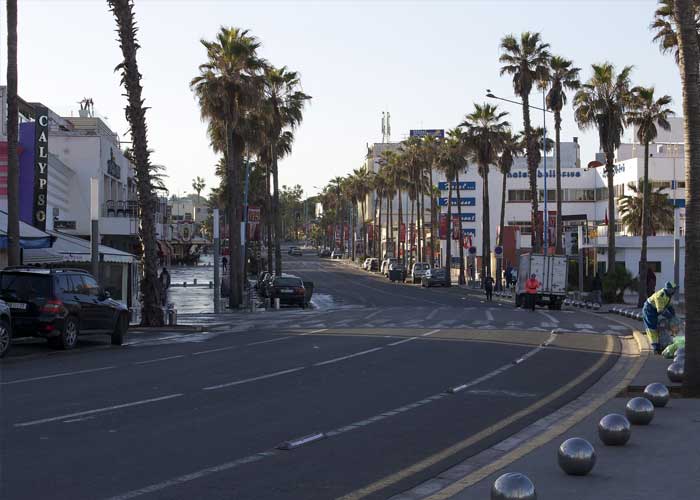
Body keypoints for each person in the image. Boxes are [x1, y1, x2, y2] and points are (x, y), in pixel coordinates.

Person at [643, 281, 678, 354]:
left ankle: (660, 345)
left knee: (658, 326)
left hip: (654, 309)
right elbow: (661, 310)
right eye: (674, 289)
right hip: (649, 310)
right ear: (669, 289)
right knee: (652, 328)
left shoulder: (668, 295)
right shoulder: (661, 295)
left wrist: (674, 315)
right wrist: (670, 317)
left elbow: (669, 306)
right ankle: (655, 347)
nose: (675, 290)